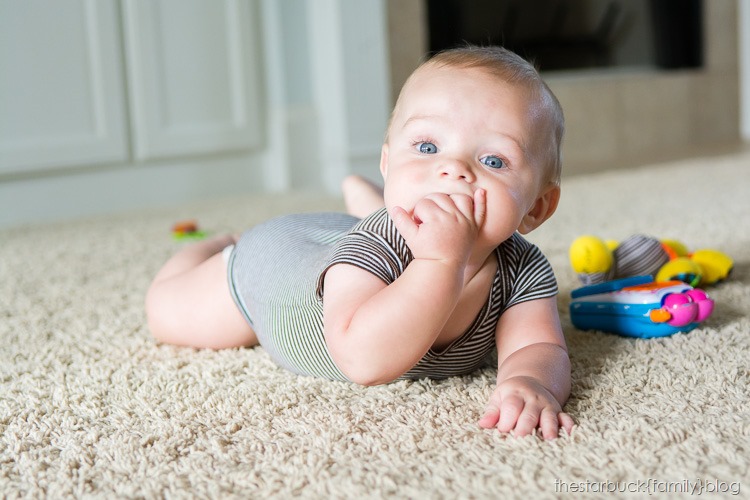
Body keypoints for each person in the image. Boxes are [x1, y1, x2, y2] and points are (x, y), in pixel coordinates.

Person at [145, 45, 574, 439]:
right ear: (389, 163)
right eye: (427, 146)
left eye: (493, 160)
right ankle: (217, 247)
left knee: (369, 221)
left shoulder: (523, 268)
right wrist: (440, 260)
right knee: (164, 314)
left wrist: (530, 382)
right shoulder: (374, 245)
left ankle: (362, 198)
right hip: (272, 270)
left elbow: (538, 346)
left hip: (335, 236)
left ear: (536, 207)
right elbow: (364, 360)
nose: (453, 169)